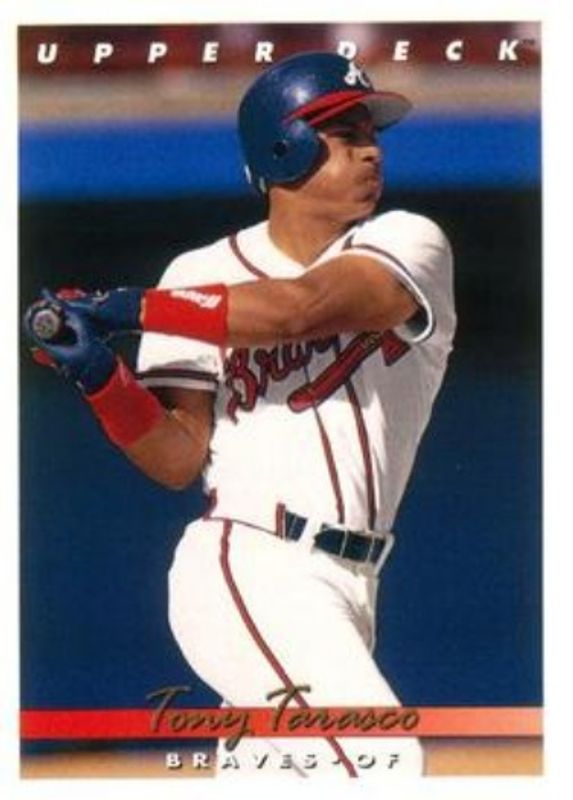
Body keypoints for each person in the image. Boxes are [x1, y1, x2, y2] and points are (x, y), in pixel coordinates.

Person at [24, 51, 456, 777]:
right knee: (380, 762)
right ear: (283, 148)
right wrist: (98, 373)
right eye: (344, 134)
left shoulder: (408, 241)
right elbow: (176, 458)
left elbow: (297, 310)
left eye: (370, 134)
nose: (370, 150)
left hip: (354, 582)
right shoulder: (196, 276)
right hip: (249, 563)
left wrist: (123, 308)